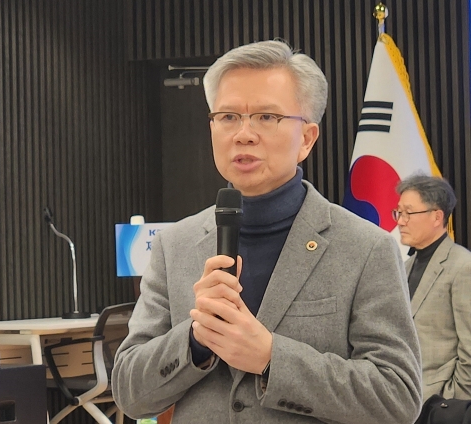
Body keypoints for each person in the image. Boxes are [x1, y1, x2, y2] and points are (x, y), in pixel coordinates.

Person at [112, 40, 422, 423]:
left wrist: (271, 358)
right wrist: (195, 340)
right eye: (228, 116)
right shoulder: (174, 245)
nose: (243, 134)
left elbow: (398, 397)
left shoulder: (365, 248)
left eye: (266, 117)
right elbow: (129, 394)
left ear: (306, 138)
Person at [394, 175, 471, 402]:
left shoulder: (466, 267)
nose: (400, 221)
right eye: (398, 212)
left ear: (437, 216)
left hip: (440, 404)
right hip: (402, 401)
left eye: (409, 213)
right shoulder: (404, 267)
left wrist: (453, 402)